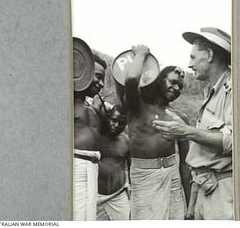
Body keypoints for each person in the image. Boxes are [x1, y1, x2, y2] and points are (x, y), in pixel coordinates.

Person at [152, 28, 232, 220]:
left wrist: (187, 132)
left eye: (193, 57)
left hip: (222, 192)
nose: (189, 64)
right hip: (205, 187)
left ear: (210, 54)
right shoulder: (212, 91)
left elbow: (233, 141)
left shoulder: (233, 88)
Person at [116, 45, 187, 220]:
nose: (177, 88)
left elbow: (185, 163)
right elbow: (131, 80)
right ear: (159, 79)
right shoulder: (138, 106)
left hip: (173, 176)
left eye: (180, 86)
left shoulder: (178, 117)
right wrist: (141, 54)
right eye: (172, 82)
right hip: (144, 175)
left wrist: (189, 201)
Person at [73, 43, 107, 221]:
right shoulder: (66, 101)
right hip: (75, 167)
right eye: (98, 77)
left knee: (88, 218)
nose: (101, 84)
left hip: (92, 168)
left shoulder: (91, 106)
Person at [96, 105, 131, 220]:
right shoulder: (94, 137)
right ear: (108, 117)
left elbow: (132, 170)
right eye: (114, 120)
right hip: (94, 195)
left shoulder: (126, 141)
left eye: (121, 123)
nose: (116, 125)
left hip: (118, 195)